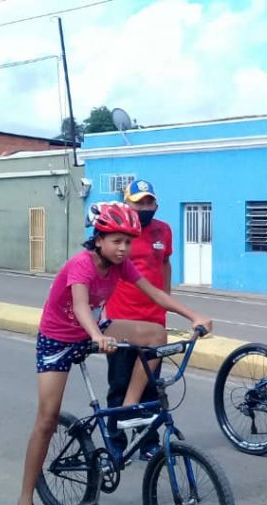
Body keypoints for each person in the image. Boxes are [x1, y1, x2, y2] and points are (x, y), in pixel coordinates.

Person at [9, 202, 211, 505]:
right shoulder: (81, 265)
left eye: (128, 242)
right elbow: (81, 305)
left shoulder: (122, 266)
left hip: (95, 330)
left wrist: (194, 315)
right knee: (46, 420)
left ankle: (128, 409)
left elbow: (156, 294)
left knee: (155, 335)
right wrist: (96, 336)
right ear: (98, 238)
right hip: (58, 339)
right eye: (116, 240)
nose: (123, 248)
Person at [103, 180, 173, 459]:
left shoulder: (164, 230)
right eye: (138, 202)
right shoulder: (120, 235)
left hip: (154, 321)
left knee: (150, 385)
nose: (144, 208)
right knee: (120, 382)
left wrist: (165, 301)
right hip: (123, 318)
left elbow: (164, 264)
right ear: (126, 203)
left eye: (148, 203)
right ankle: (115, 440)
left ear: (155, 204)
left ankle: (147, 442)